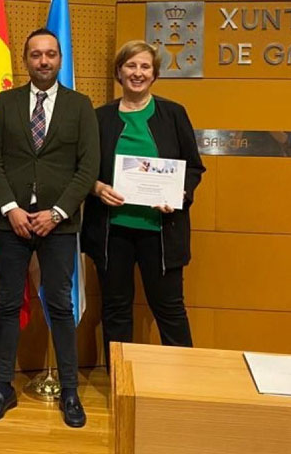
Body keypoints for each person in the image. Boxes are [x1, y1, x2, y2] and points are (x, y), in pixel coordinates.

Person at [0, 28, 99, 428]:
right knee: (9, 304)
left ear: (60, 59)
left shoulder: (80, 106)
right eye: (36, 55)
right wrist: (11, 208)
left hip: (59, 226)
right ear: (26, 60)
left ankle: (69, 390)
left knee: (61, 307)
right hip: (10, 222)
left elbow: (88, 168)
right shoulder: (6, 103)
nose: (43, 61)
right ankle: (2, 388)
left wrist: (59, 212)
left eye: (50, 54)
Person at [81, 40, 205, 368]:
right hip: (114, 232)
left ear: (155, 74)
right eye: (131, 66)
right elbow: (83, 168)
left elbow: (193, 167)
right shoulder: (100, 117)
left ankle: (183, 383)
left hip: (161, 232)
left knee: (169, 310)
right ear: (119, 72)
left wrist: (179, 194)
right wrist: (95, 187)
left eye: (145, 67)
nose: (137, 73)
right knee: (116, 311)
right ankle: (121, 382)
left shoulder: (173, 114)